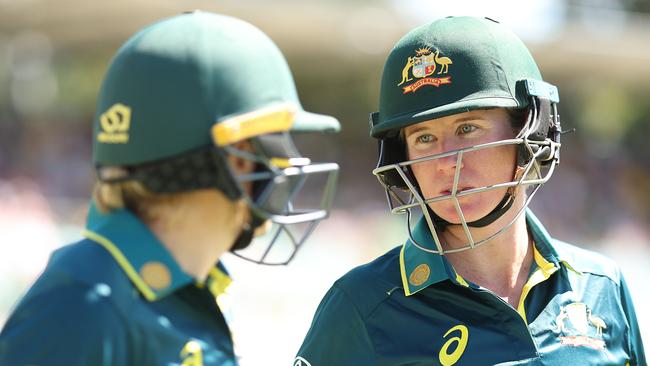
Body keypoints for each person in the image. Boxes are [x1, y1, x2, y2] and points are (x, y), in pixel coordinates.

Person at [295, 16, 645, 366]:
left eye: (468, 128)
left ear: (530, 134)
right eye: (424, 138)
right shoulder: (361, 306)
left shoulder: (601, 286)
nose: (446, 160)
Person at [0, 10, 340, 365]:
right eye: (275, 142)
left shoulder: (190, 288)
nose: (288, 162)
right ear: (237, 158)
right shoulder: (81, 303)